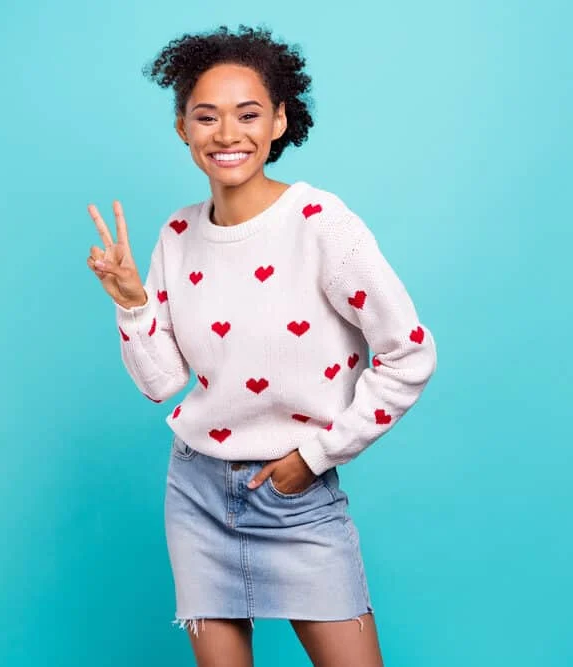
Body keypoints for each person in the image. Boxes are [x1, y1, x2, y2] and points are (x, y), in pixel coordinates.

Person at [86, 25, 437, 667]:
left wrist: (317, 455)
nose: (227, 134)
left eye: (248, 114)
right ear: (182, 128)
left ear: (279, 121)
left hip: (295, 491)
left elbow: (409, 354)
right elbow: (162, 383)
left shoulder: (322, 225)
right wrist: (131, 300)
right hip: (195, 491)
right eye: (206, 116)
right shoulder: (176, 234)